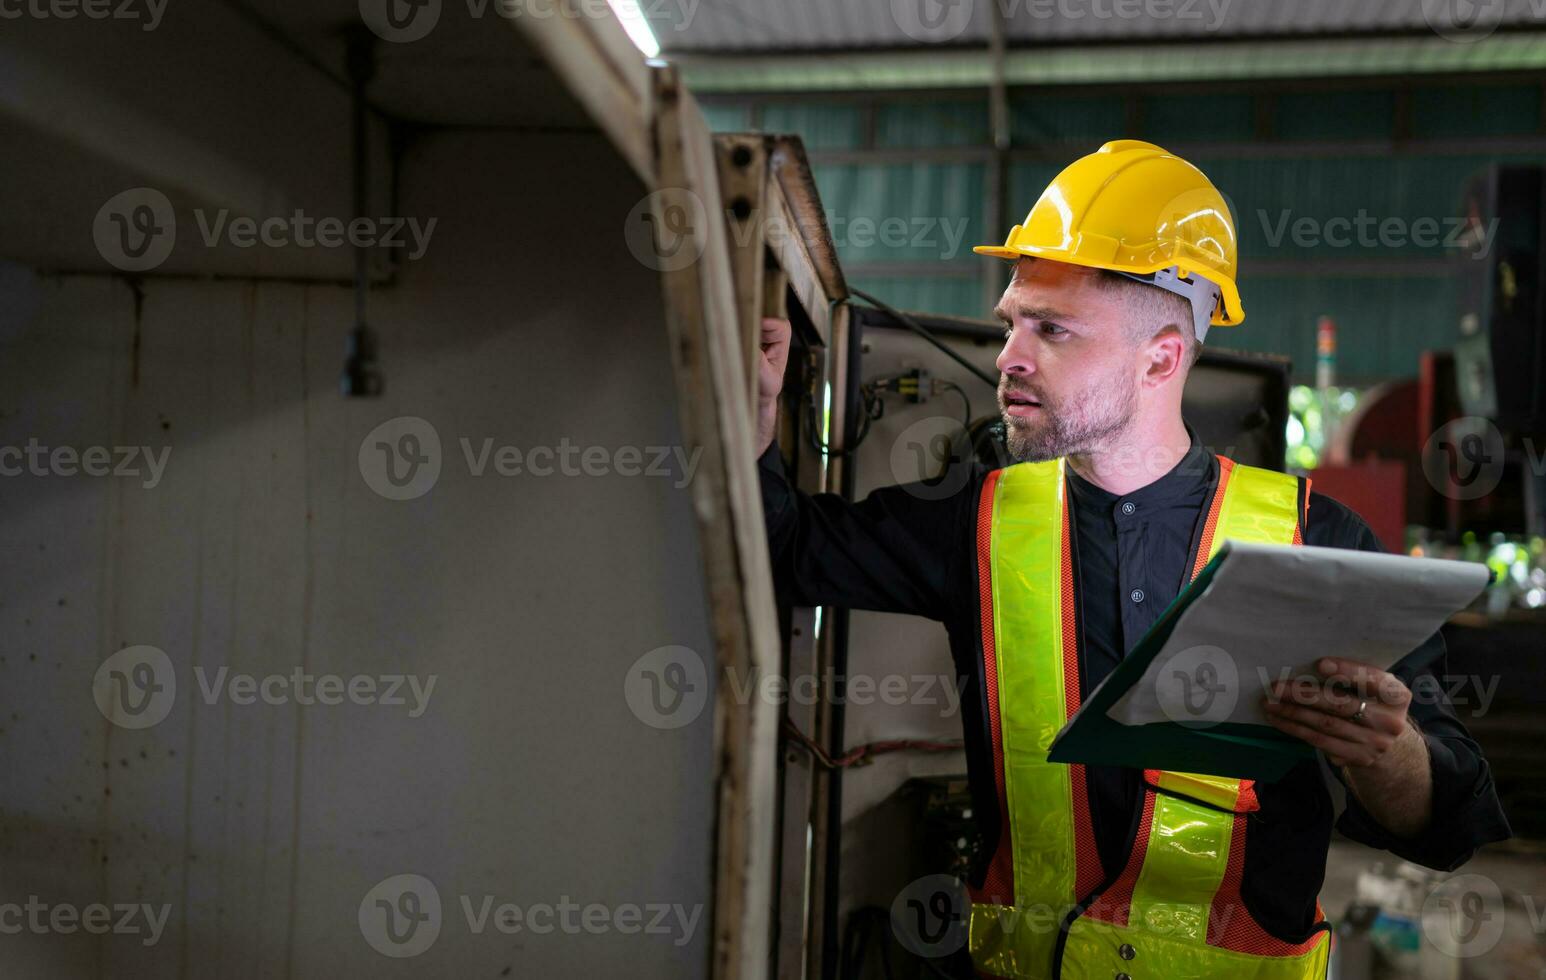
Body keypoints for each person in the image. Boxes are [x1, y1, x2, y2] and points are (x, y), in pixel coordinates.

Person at [754, 140, 1510, 979]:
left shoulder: (1317, 541)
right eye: (1013, 323)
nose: (1009, 356)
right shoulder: (971, 520)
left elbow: (1448, 826)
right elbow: (784, 551)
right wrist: (751, 420)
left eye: (1052, 330)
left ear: (1161, 357)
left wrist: (1384, 751)